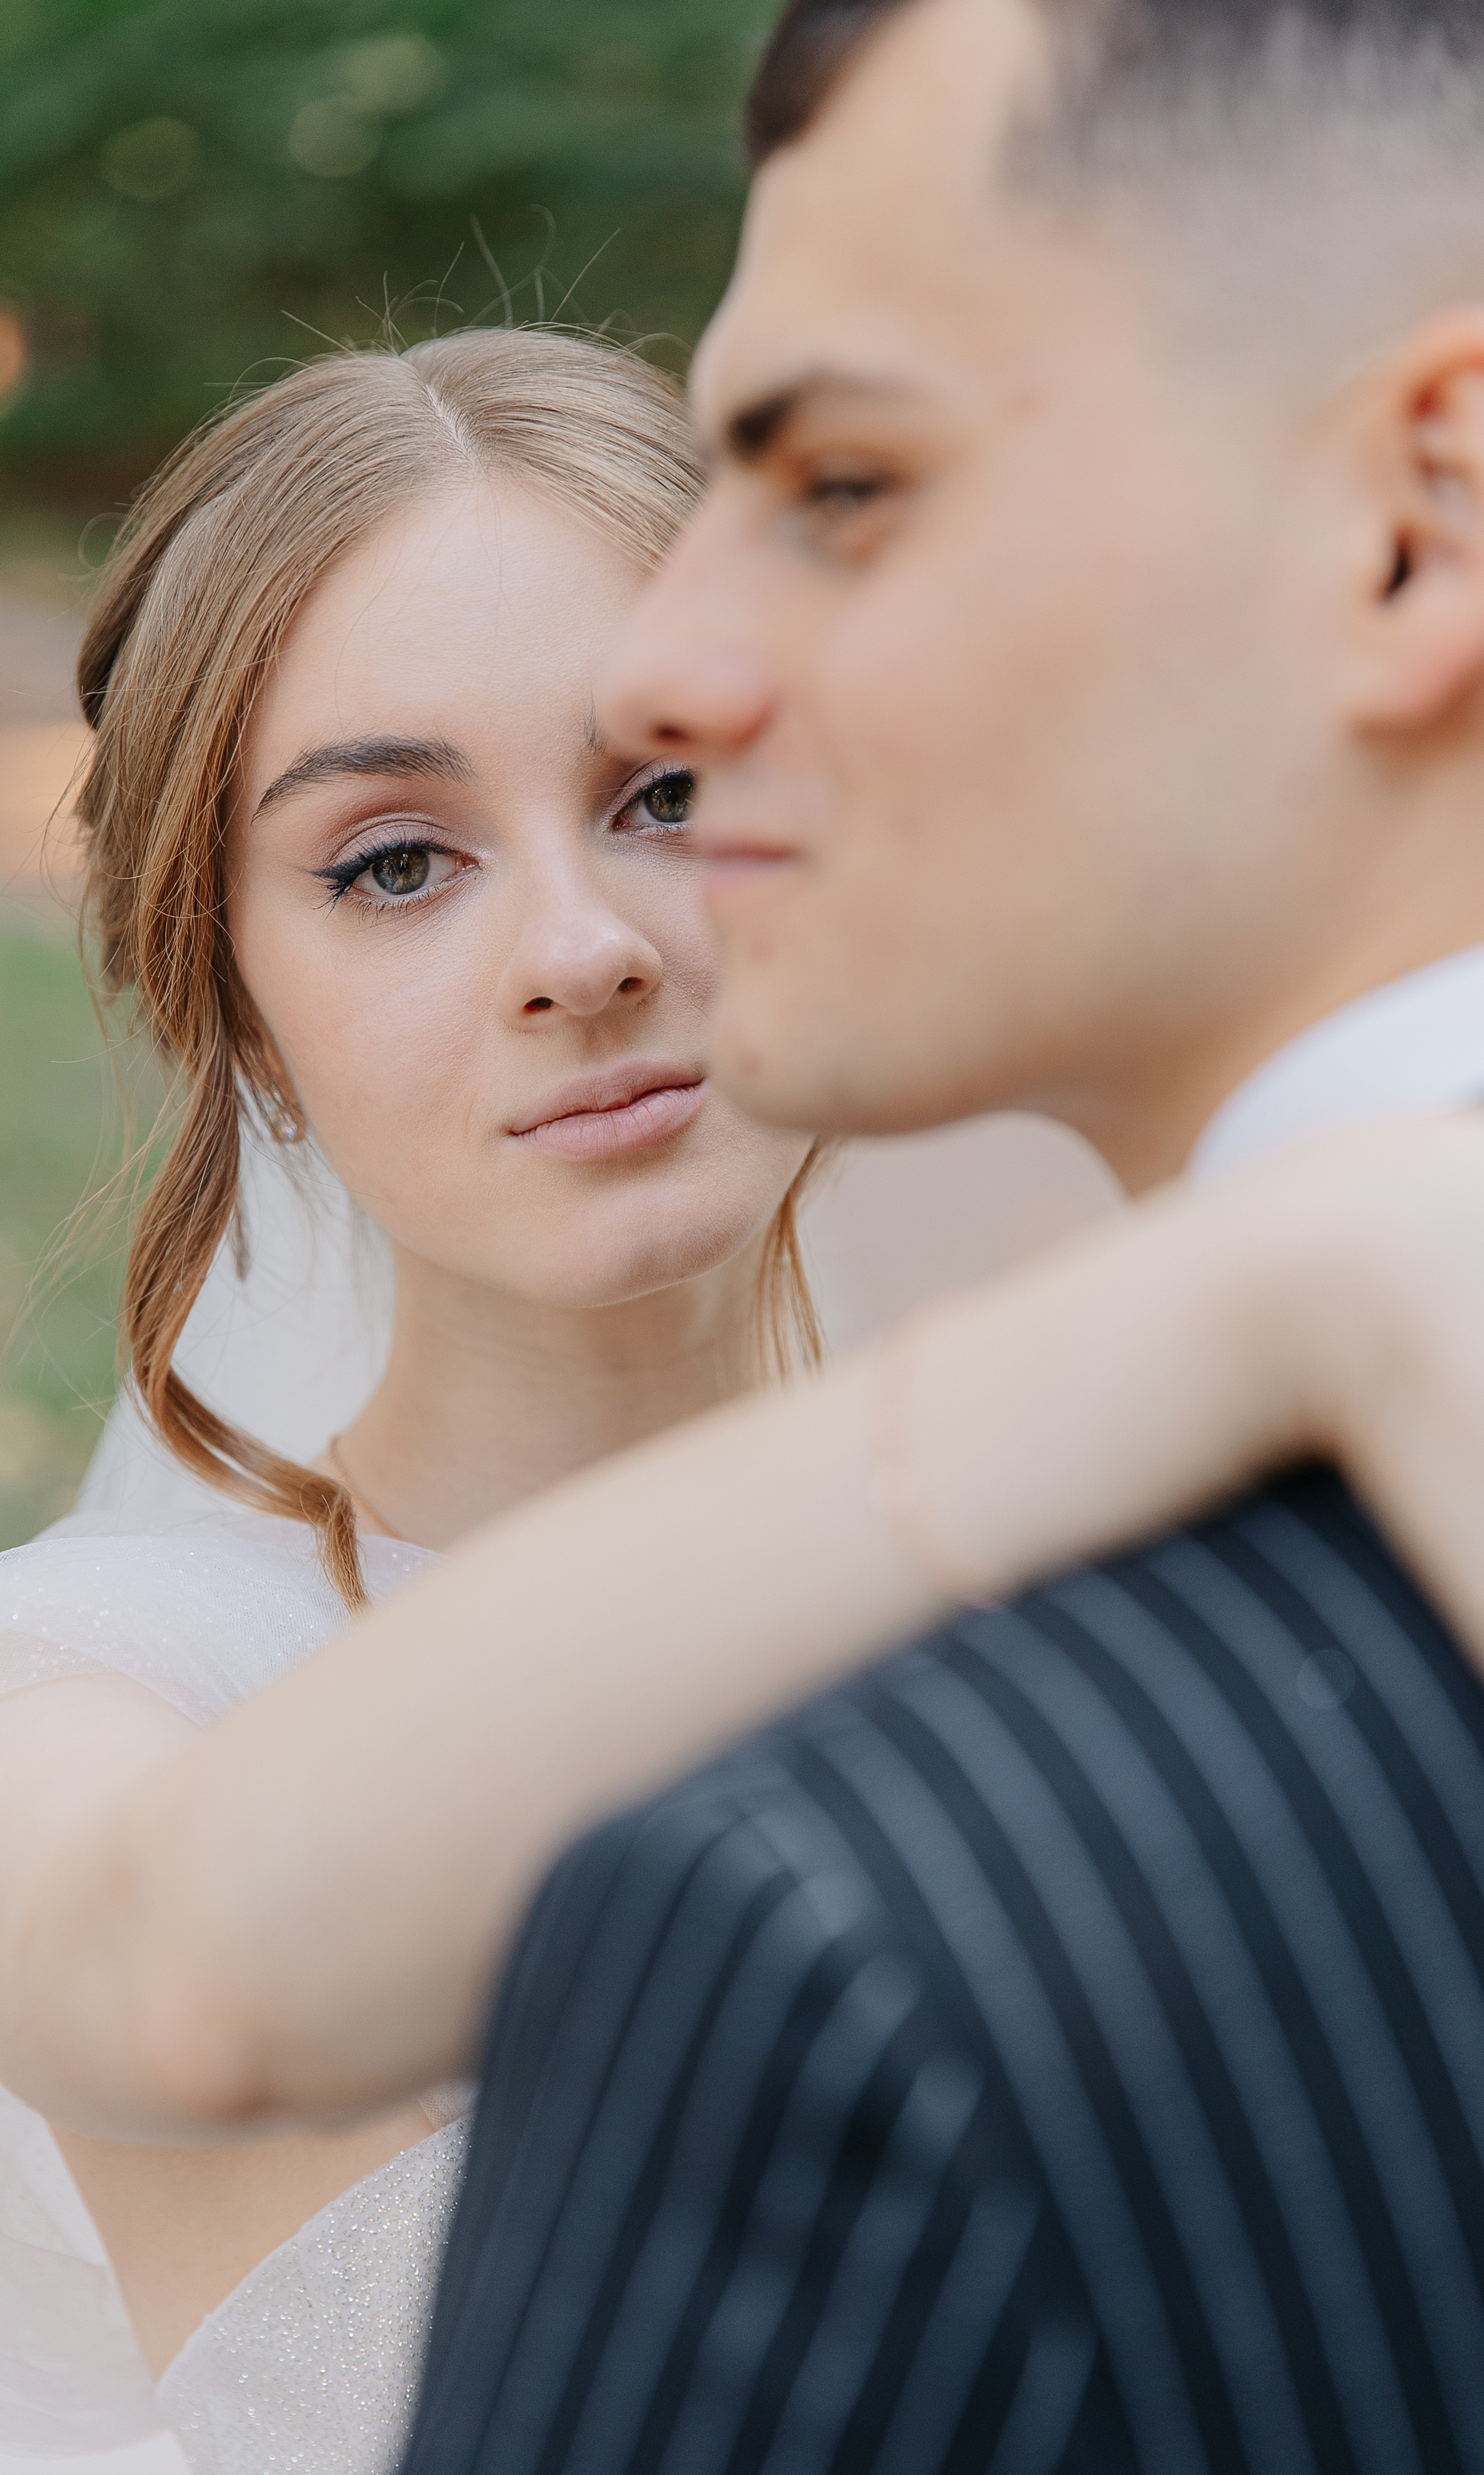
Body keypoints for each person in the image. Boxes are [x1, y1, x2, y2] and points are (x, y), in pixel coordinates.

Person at [0, 319, 1484, 2475]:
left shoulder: (1194, 1604)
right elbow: (163, 1972)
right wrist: (1252, 1295)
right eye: (396, 864)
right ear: (233, 1011)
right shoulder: (25, 1716)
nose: (583, 945)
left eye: (669, 796)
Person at [378, 1, 1484, 2469]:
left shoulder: (857, 1924)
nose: (667, 670)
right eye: (392, 863)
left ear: (1425, 511)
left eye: (845, 483)